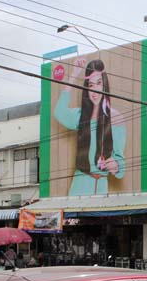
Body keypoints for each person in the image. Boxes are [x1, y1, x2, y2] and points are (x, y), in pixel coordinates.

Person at [54, 58, 126, 196]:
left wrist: (115, 166)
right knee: (72, 217)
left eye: (99, 83)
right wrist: (74, 74)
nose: (94, 90)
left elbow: (120, 160)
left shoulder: (116, 118)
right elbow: (59, 112)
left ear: (105, 84)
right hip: (79, 185)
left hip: (102, 186)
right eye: (90, 85)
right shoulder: (80, 115)